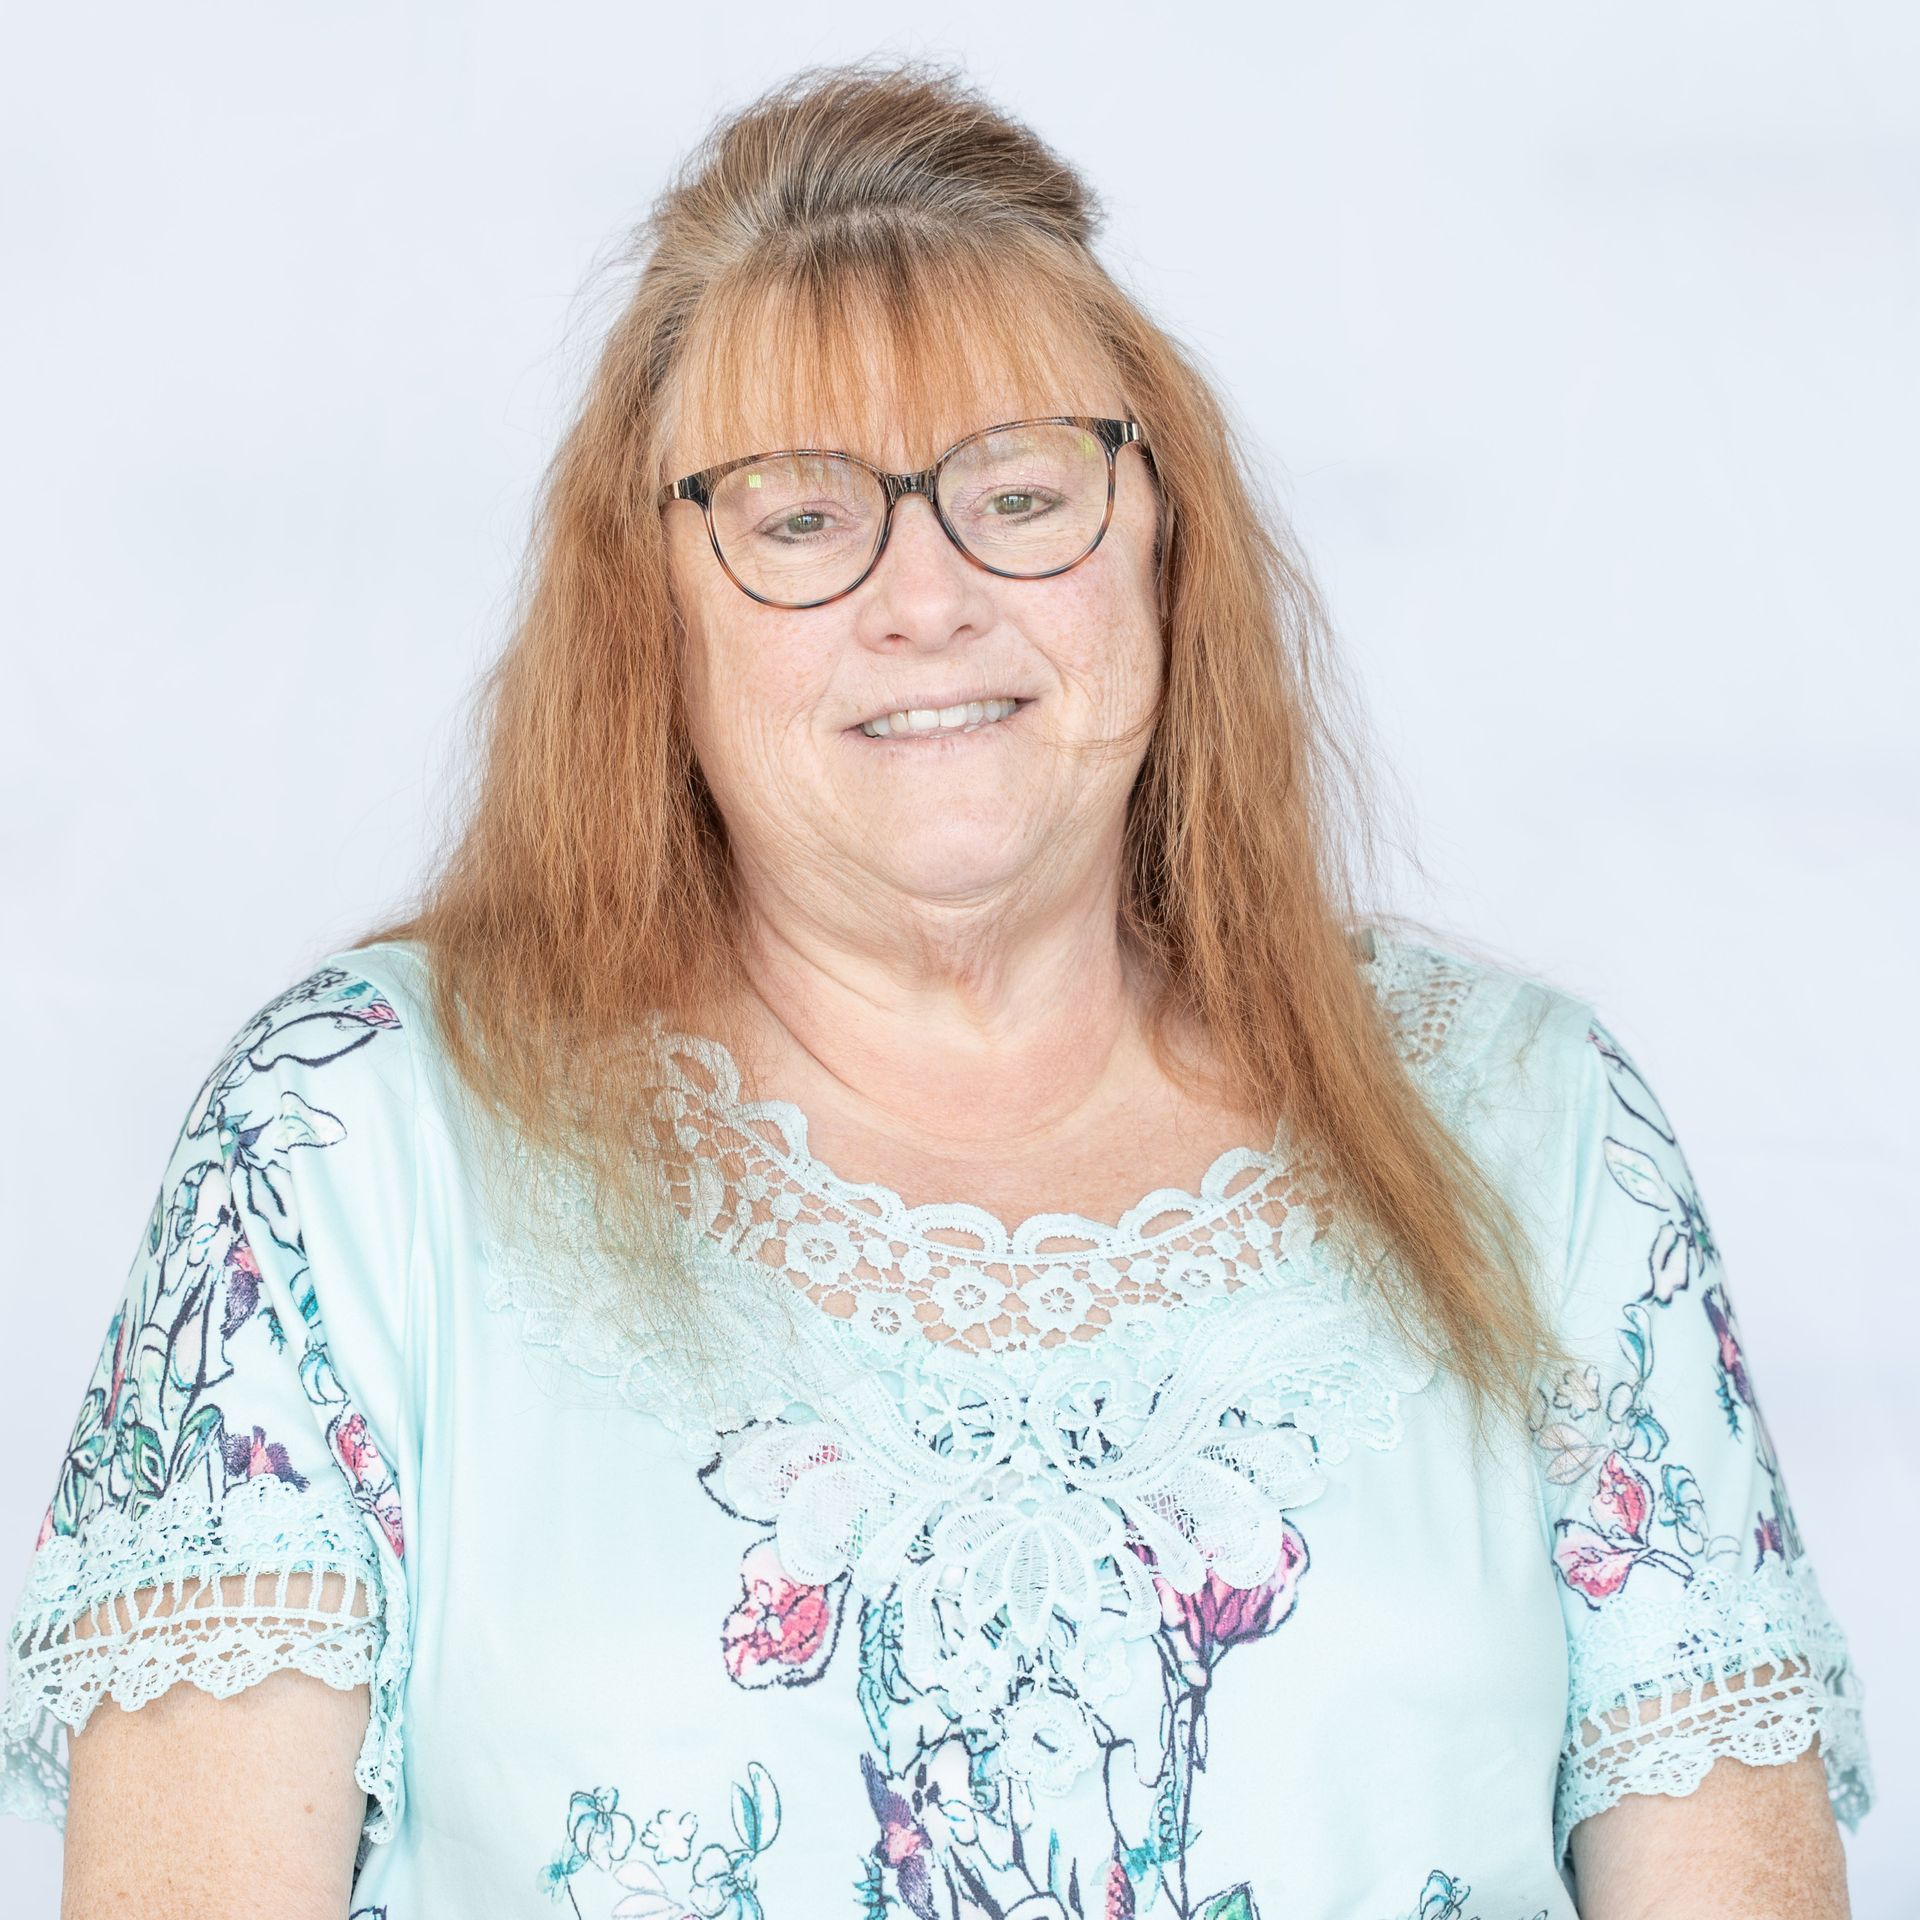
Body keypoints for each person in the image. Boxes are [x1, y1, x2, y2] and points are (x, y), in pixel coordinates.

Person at [0, 58, 1873, 1920]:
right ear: (648, 610)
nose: (928, 596)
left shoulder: (1531, 1130)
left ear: (1163, 543)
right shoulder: (348, 1147)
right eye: (800, 517)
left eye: (1020, 489)